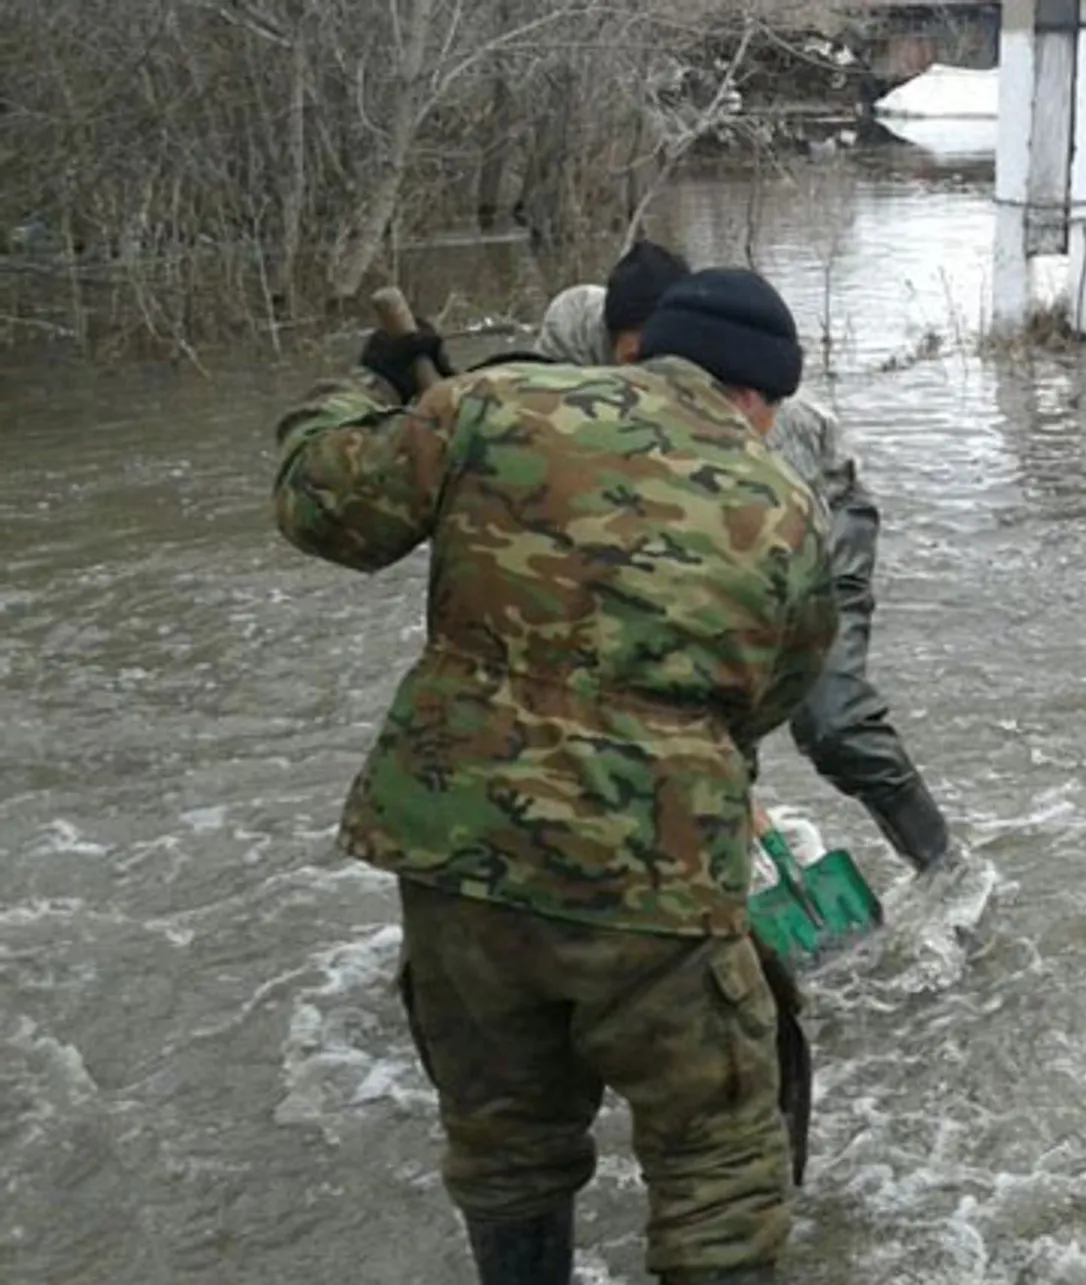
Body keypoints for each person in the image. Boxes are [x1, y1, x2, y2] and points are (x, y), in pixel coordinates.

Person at [271, 267, 839, 1285]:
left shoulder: (495, 401)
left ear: (648, 347)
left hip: (458, 854)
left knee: (507, 1143)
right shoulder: (789, 509)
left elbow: (320, 505)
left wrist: (372, 388)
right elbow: (771, 695)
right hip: (654, 877)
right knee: (717, 1167)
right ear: (759, 395)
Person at [525, 239, 956, 876]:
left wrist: (730, 771)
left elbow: (727, 644)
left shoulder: (752, 439)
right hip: (664, 515)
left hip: (820, 506)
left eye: (661, 363)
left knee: (829, 719)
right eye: (631, 359)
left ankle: (945, 864)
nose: (648, 382)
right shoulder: (574, 333)